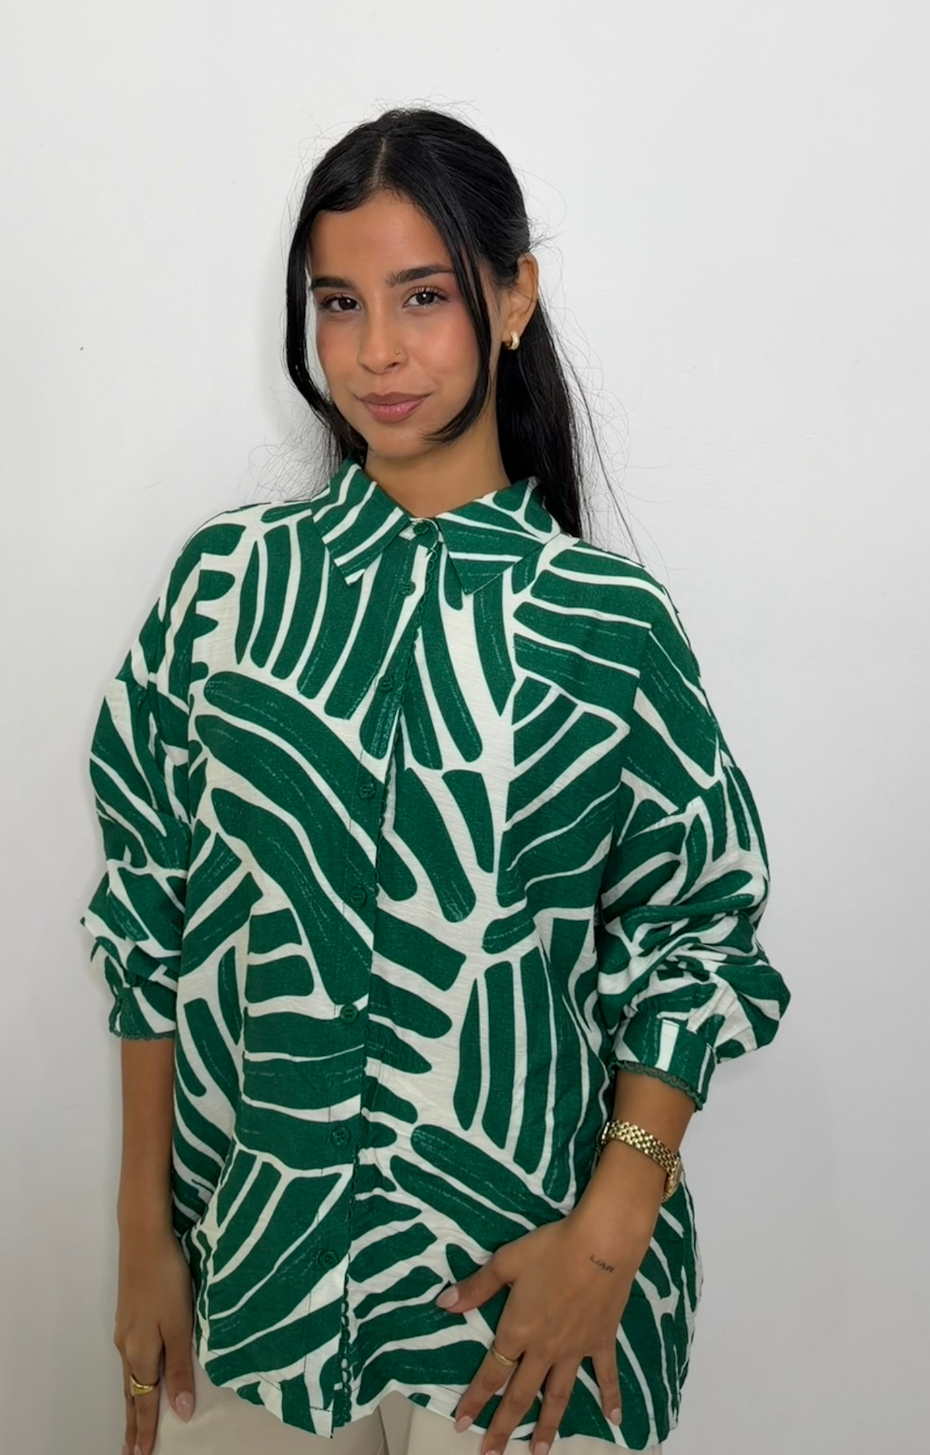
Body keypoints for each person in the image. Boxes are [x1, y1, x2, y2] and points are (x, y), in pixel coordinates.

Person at [81, 106, 791, 1455]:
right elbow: (148, 913)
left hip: (530, 1304)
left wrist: (609, 1240)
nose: (377, 353)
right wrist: (142, 1235)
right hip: (257, 1290)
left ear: (513, 298)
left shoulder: (607, 624)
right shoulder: (227, 590)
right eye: (338, 303)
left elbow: (699, 931)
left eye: (423, 296)